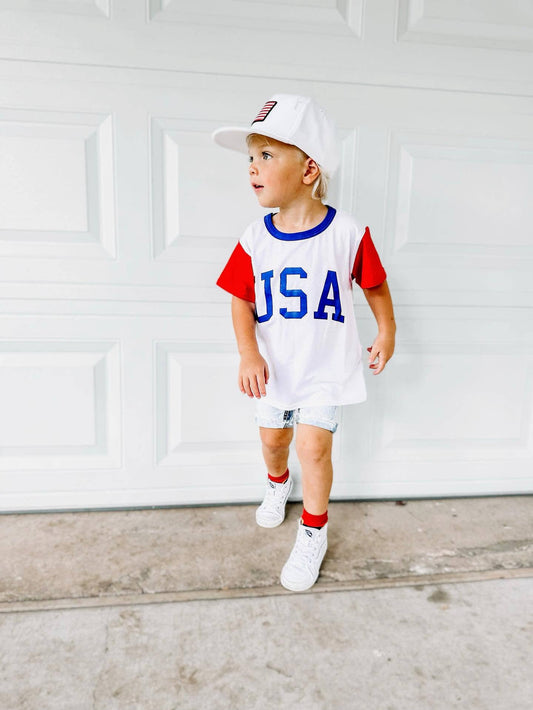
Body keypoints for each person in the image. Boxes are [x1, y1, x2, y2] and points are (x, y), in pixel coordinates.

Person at [213, 94, 395, 592]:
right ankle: (277, 483)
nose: (252, 167)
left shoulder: (348, 233)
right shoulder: (255, 238)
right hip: (274, 368)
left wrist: (387, 330)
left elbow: (375, 285)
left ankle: (314, 531)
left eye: (266, 155)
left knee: (314, 449)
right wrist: (248, 353)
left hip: (324, 369)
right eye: (251, 157)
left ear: (309, 168)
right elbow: (240, 300)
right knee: (274, 441)